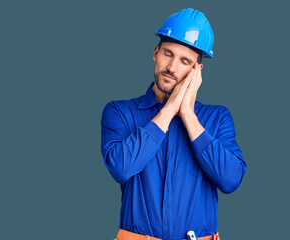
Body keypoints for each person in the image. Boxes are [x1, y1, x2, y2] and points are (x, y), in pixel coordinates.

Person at [101, 8, 247, 240]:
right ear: (155, 52)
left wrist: (188, 114)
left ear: (196, 70)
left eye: (184, 61)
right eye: (168, 54)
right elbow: (120, 167)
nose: (172, 67)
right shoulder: (120, 112)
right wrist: (169, 110)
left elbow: (230, 180)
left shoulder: (218, 118)